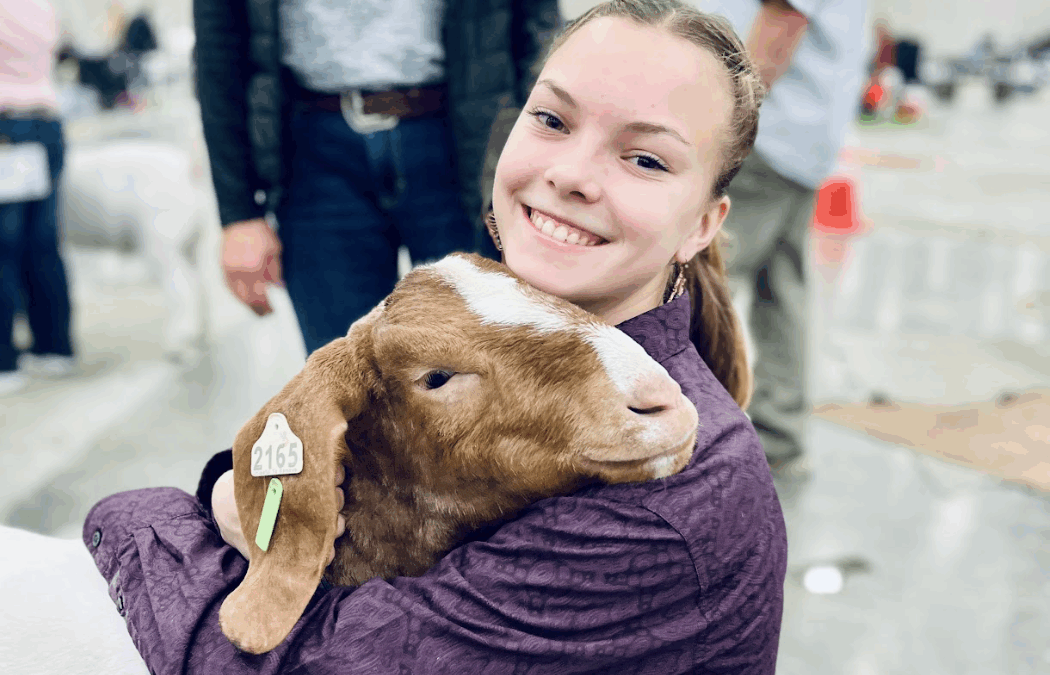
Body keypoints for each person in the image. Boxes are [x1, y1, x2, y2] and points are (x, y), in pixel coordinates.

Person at [82, 1, 788, 671]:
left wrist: (147, 517)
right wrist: (263, 494)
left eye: (646, 159)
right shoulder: (477, 323)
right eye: (550, 119)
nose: (570, 174)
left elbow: (280, 661)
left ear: (705, 222)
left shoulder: (665, 478)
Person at [195, 0, 561, 355]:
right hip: (312, 152)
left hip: (468, 139)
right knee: (344, 380)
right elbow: (218, 50)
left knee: (483, 363)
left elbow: (539, 27)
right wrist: (238, 212)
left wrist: (547, 151)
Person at [712, 0, 868, 474]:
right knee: (780, 287)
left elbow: (782, 21)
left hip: (766, 136)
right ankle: (779, 433)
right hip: (800, 141)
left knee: (703, 279)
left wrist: (719, 121)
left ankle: (676, 436)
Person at [0, 0, 76, 397]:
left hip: (6, 126)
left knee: (2, 247)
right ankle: (54, 347)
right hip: (45, 123)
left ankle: (3, 361)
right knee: (43, 242)